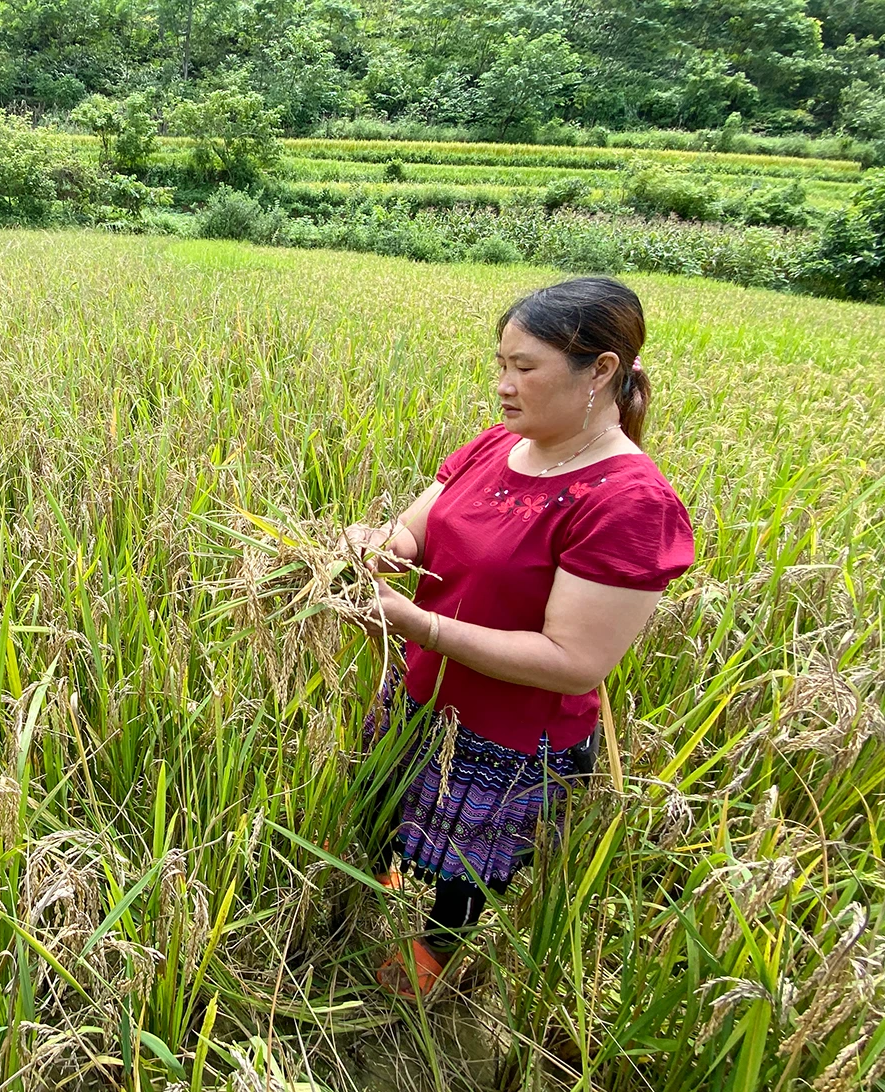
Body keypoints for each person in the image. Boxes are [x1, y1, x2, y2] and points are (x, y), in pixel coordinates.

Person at [341, 276, 695, 998]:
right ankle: (392, 877)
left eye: (524, 368)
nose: (503, 385)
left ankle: (434, 954)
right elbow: (414, 531)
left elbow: (575, 662)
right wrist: (372, 545)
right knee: (395, 814)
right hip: (423, 692)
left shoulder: (630, 503)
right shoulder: (498, 446)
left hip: (508, 735)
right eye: (500, 364)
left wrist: (422, 625)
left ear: (600, 370)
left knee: (468, 862)